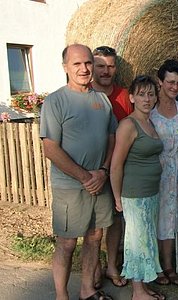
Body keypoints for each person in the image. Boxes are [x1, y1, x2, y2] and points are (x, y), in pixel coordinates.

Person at [40, 44, 116, 300]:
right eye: (77, 64)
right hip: (71, 187)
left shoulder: (101, 100)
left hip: (99, 182)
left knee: (95, 237)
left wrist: (103, 171)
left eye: (87, 63)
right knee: (67, 242)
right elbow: (50, 148)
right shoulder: (56, 101)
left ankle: (87, 290)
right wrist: (85, 177)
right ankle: (62, 295)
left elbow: (111, 137)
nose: (84, 69)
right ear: (65, 68)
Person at [110, 75, 165, 300]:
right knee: (136, 242)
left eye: (151, 94)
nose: (147, 99)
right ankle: (137, 292)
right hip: (134, 194)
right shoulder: (128, 125)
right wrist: (117, 198)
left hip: (150, 192)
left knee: (146, 239)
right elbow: (116, 165)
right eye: (141, 94)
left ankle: (143, 285)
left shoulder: (149, 122)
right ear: (131, 97)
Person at [92, 45, 132, 288]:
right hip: (93, 168)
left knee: (116, 219)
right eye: (101, 66)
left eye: (111, 66)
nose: (106, 71)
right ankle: (94, 267)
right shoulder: (86, 95)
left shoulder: (125, 96)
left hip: (119, 169)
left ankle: (112, 266)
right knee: (95, 223)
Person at [150, 59, 178, 285]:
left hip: (175, 171)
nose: (175, 87)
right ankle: (153, 266)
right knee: (153, 218)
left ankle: (168, 266)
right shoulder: (150, 109)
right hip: (154, 171)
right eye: (171, 82)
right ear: (160, 82)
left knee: (170, 219)